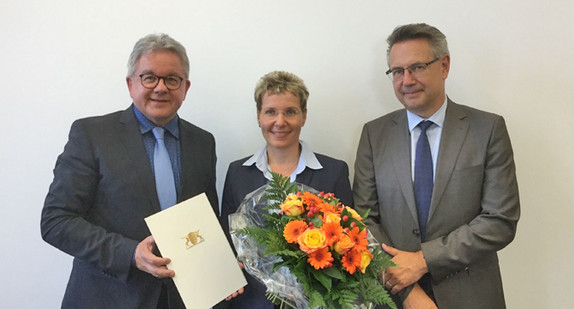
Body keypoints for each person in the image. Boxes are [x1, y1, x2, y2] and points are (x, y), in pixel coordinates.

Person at [41, 33, 242, 309]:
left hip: (184, 300)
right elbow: (56, 221)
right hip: (109, 298)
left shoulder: (203, 142)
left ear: (186, 87)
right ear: (130, 84)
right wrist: (130, 254)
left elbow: (206, 221)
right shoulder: (91, 135)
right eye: (149, 77)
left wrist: (224, 270)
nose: (161, 88)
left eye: (172, 79)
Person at [353, 23, 520, 309]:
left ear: (444, 66)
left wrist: (422, 261)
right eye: (397, 71)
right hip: (394, 296)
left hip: (471, 296)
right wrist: (407, 290)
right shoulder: (374, 134)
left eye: (417, 67)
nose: (406, 80)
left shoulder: (487, 129)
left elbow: (500, 220)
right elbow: (363, 219)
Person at [216, 71, 353, 309]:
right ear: (259, 116)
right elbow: (228, 239)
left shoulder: (334, 172)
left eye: (290, 111)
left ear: (304, 116)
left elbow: (348, 241)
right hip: (251, 303)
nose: (280, 121)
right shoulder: (237, 172)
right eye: (270, 112)